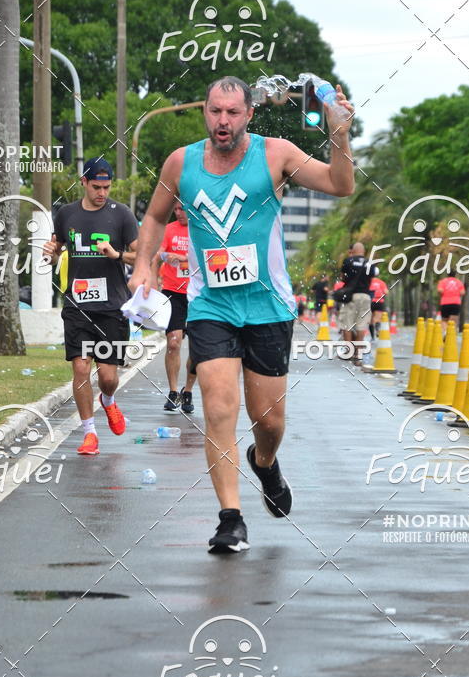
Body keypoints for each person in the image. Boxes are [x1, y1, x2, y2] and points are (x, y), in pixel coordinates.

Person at [129, 75, 354, 553]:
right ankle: (230, 518)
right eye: (215, 111)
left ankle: (265, 462)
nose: (223, 121)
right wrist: (145, 266)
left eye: (233, 112)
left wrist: (339, 133)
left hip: (268, 307)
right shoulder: (181, 162)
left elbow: (341, 184)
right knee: (218, 408)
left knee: (268, 422)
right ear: (205, 112)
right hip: (211, 306)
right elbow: (153, 216)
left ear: (249, 113)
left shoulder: (277, 154)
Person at [43, 157, 138, 455]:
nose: (102, 193)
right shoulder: (67, 214)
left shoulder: (122, 215)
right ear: (83, 182)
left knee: (108, 377)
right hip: (77, 305)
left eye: (107, 187)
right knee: (81, 368)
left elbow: (142, 256)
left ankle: (107, 401)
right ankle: (89, 433)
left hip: (112, 307)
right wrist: (51, 253)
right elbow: (56, 248)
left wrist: (116, 254)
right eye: (96, 186)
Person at [152, 201, 196, 414]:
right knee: (174, 343)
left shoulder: (201, 228)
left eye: (183, 208)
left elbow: (212, 257)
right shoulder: (169, 229)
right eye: (176, 208)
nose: (179, 213)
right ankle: (172, 392)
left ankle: (188, 390)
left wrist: (185, 258)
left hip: (198, 295)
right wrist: (165, 256)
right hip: (173, 293)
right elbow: (158, 253)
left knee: (198, 349)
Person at [338, 243, 377, 364]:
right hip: (365, 296)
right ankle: (358, 354)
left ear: (353, 251)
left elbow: (342, 277)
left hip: (350, 296)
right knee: (361, 325)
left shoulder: (348, 261)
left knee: (347, 324)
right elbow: (372, 276)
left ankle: (349, 352)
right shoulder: (370, 264)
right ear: (364, 252)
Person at [369, 274, 388, 339]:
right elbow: (386, 292)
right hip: (380, 301)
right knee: (378, 318)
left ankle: (372, 337)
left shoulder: (368, 281)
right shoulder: (382, 282)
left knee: (371, 320)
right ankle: (377, 330)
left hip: (370, 301)